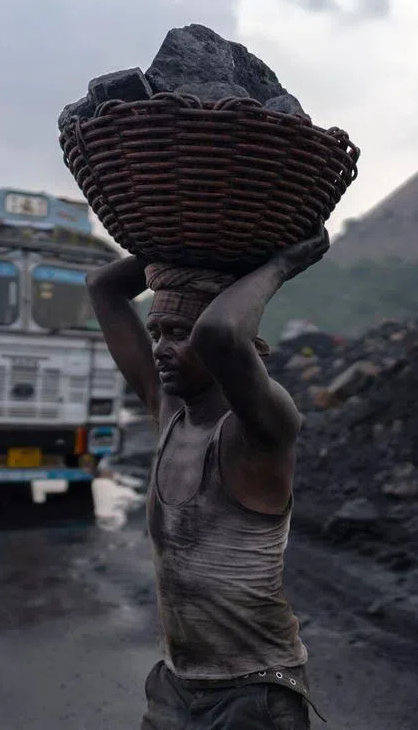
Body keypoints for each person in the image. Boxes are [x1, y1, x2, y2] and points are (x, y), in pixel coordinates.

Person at [86, 232, 330, 730]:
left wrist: (277, 264)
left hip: (253, 694)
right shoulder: (171, 412)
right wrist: (169, 243)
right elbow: (103, 288)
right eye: (156, 333)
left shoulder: (261, 430)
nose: (160, 348)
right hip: (177, 687)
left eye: (178, 333)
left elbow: (220, 332)